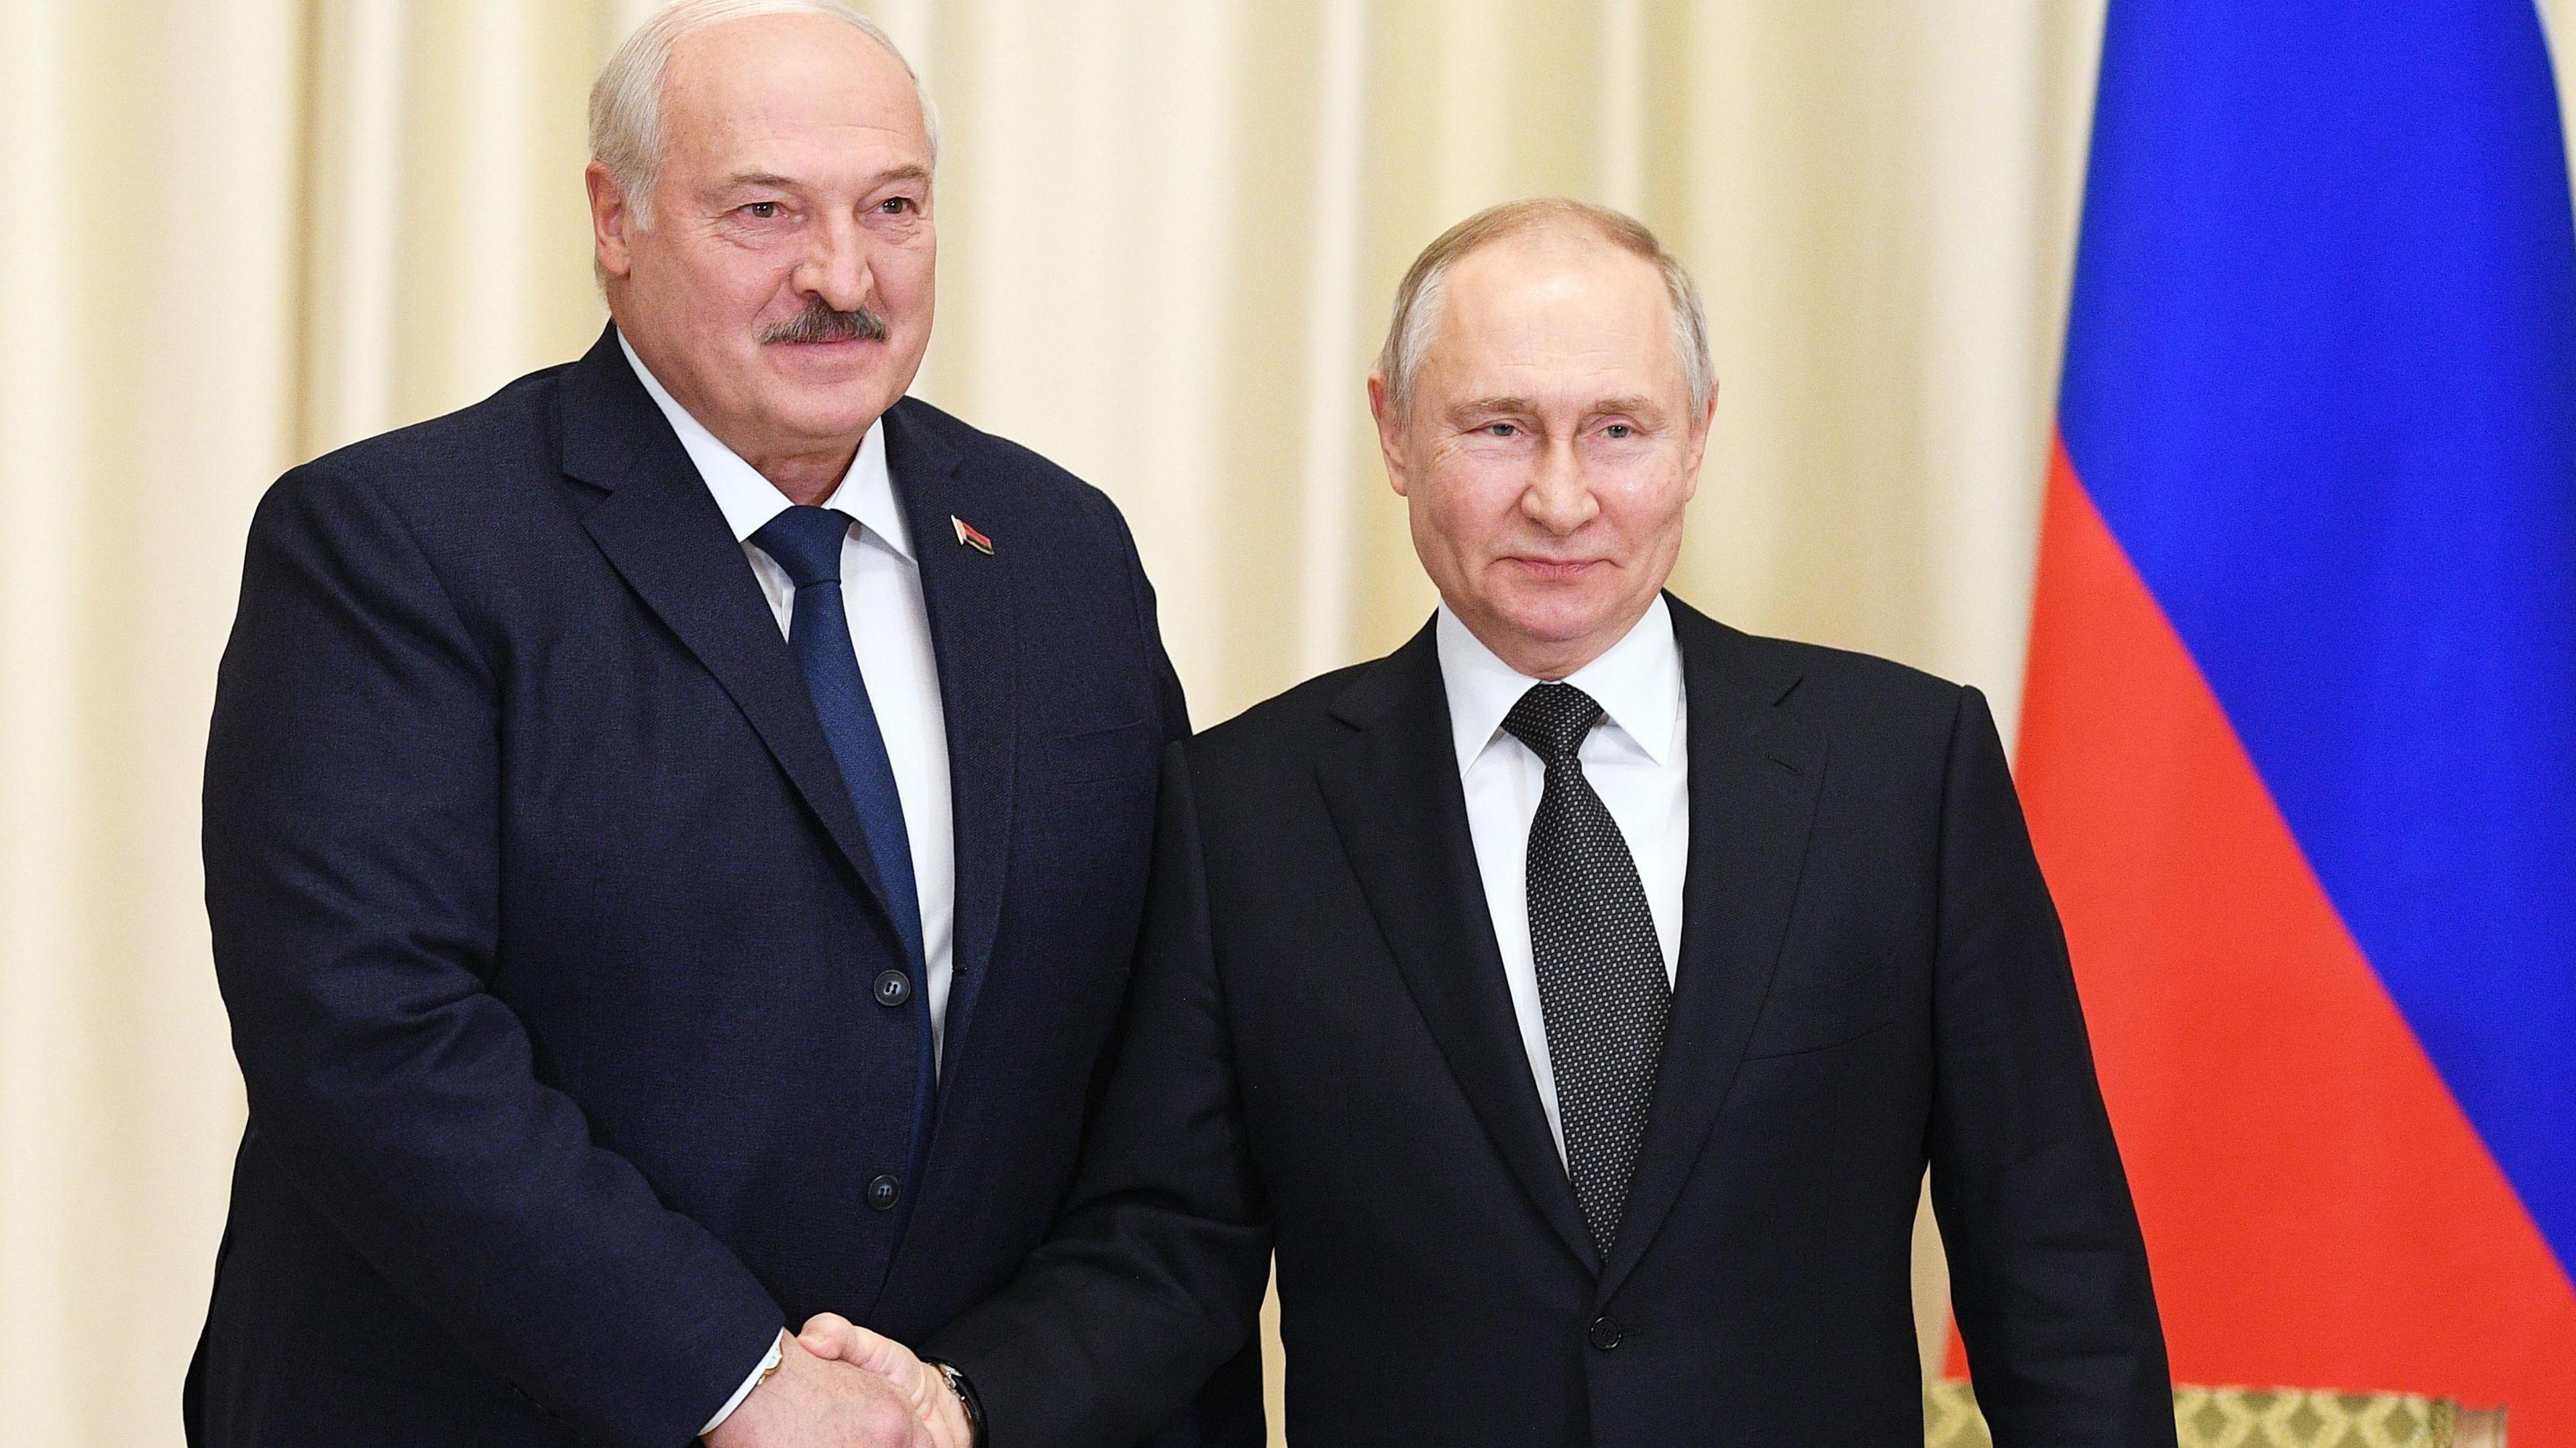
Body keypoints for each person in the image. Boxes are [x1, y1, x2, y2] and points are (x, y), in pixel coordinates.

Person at [806, 199, 2176, 1446]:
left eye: (1620, 429)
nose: (1563, 497)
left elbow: (2052, 1266)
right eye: (1499, 426)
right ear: (1395, 435)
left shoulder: (1902, 773)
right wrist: (961, 1404)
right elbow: (1170, 1247)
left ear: (1699, 438)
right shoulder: (1242, 817)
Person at [184, 3, 1258, 1445]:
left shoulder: (1060, 556)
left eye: (893, 208)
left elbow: (1159, 1076)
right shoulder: (397, 546)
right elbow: (371, 1040)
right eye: (764, 211)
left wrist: (967, 1403)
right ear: (613, 218)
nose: (842, 274)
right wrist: (738, 1380)